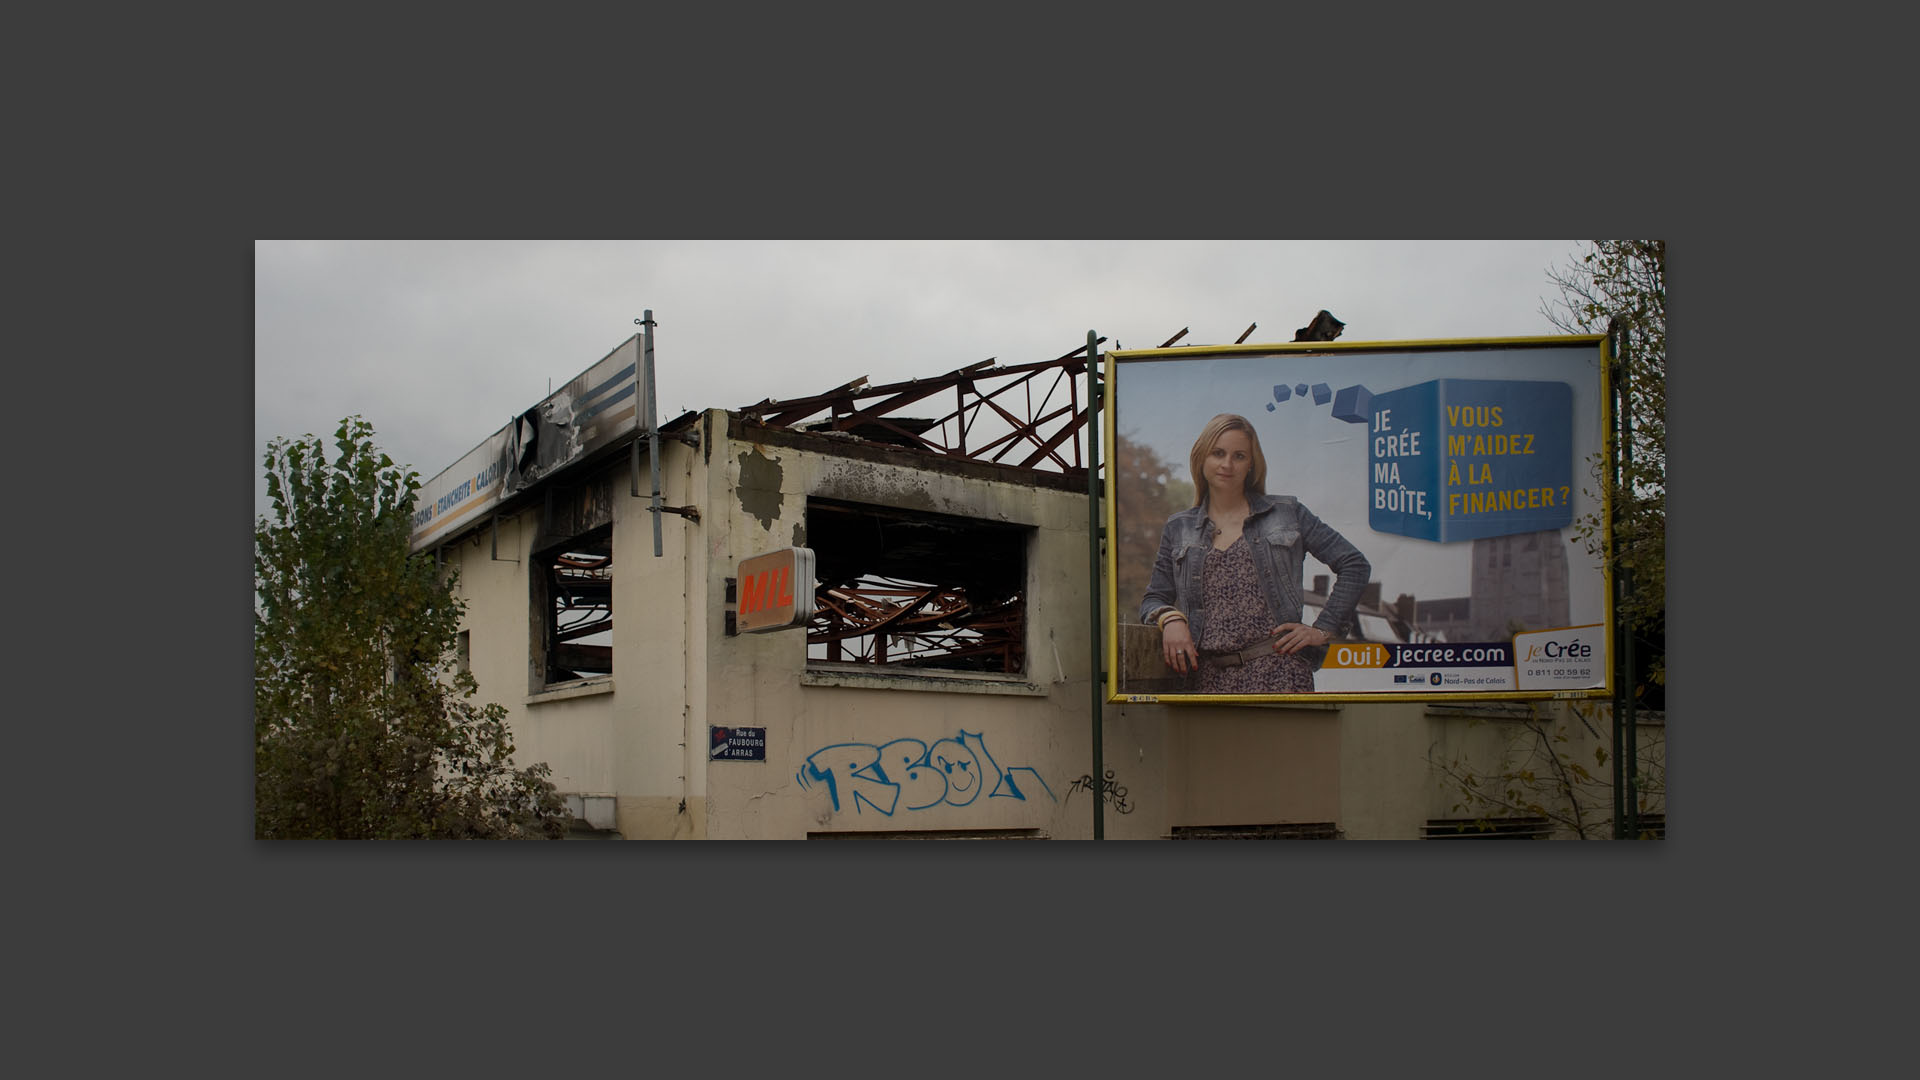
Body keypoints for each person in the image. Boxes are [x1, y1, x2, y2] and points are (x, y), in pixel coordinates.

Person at [1140, 413, 1370, 693]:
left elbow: (1354, 564)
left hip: (1279, 674)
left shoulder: (1288, 513)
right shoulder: (1179, 527)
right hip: (1204, 681)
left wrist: (1322, 630)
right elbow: (1154, 598)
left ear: (1251, 464)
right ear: (1202, 458)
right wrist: (1170, 618)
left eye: (1239, 456)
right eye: (1218, 453)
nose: (1227, 464)